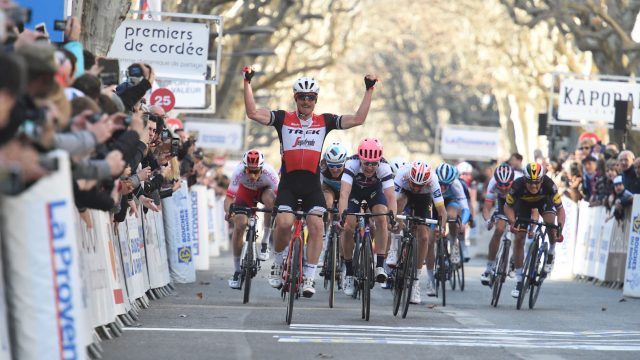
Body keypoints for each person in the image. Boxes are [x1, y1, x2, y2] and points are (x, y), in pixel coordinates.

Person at [242, 66, 378, 297]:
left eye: (311, 97)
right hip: (289, 183)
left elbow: (358, 119)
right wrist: (247, 82)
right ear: (295, 98)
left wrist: (369, 89)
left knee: (316, 226)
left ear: (316, 100)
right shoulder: (283, 118)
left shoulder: (324, 121)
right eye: (302, 97)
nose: (307, 101)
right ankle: (278, 262)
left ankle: (310, 276)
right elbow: (253, 112)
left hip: (312, 183)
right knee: (284, 223)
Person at [338, 138, 397, 296]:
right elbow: (344, 193)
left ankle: (379, 265)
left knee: (382, 218)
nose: (370, 167)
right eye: (366, 164)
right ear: (360, 159)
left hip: (374, 193)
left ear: (379, 161)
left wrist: (393, 218)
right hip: (354, 193)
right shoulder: (351, 164)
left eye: (373, 164)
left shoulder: (385, 167)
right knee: (349, 226)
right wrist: (342, 216)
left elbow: (391, 197)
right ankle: (349, 273)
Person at [504, 162, 565, 298]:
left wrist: (560, 227)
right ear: (524, 180)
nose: (533, 186)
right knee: (519, 239)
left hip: (544, 202)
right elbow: (507, 206)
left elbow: (560, 209)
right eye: (530, 182)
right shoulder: (517, 185)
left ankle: (551, 252)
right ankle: (519, 281)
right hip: (524, 205)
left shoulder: (549, 185)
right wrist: (512, 220)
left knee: (550, 223)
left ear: (542, 180)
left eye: (537, 182)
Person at [392, 160, 447, 304]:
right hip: (404, 194)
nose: (416, 187)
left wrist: (442, 227)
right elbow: (391, 200)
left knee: (424, 237)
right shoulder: (402, 174)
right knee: (398, 206)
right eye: (413, 184)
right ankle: (394, 246)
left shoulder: (433, 181)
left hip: (424, 198)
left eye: (419, 185)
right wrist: (392, 220)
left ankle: (415, 281)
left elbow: (441, 210)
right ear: (409, 177)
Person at [224, 149, 278, 289]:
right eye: (249, 171)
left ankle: (265, 242)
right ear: (244, 168)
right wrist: (229, 212)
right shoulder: (238, 172)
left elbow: (279, 197)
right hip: (245, 193)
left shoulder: (270, 172)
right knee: (240, 225)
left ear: (262, 168)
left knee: (271, 201)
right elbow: (229, 198)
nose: (253, 175)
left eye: (256, 171)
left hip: (263, 191)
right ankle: (236, 270)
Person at [480, 163, 518, 285]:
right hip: (502, 203)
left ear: (512, 181)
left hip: (519, 203)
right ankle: (489, 268)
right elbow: (486, 207)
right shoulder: (492, 183)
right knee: (499, 230)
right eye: (500, 185)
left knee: (519, 232)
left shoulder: (519, 182)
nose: (503, 188)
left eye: (506, 185)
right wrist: (487, 221)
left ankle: (514, 262)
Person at [435, 163, 471, 265]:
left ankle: (454, 243)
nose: (442, 187)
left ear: (451, 182)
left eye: (446, 185)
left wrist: (463, 223)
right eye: (440, 183)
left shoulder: (456, 184)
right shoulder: (432, 182)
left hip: (451, 201)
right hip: (435, 201)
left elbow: (465, 208)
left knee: (452, 216)